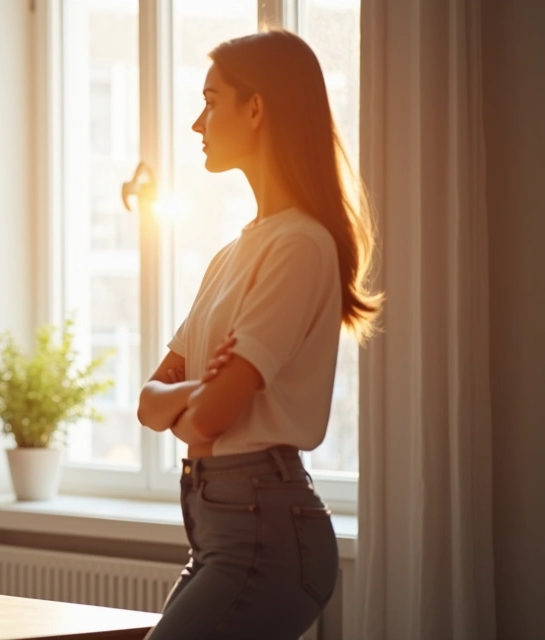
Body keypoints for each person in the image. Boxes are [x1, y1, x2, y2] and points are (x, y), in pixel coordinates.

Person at [136, 30, 382, 639]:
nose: (197, 122)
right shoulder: (231, 255)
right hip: (220, 528)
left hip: (265, 533)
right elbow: (148, 403)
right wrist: (203, 391)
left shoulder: (300, 245)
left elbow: (209, 419)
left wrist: (191, 402)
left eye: (211, 100)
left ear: (256, 107)